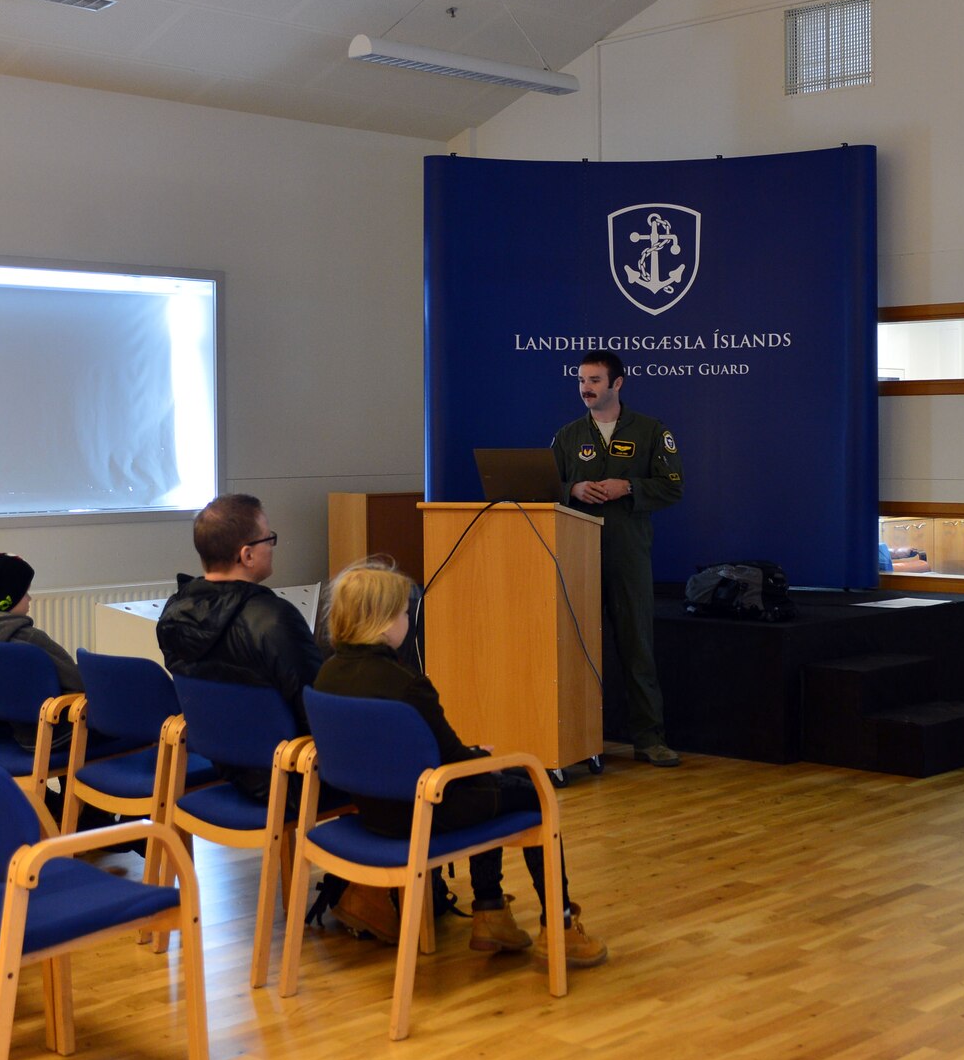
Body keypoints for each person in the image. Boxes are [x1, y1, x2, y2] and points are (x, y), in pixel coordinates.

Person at [314, 561, 608, 967]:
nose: (406, 620)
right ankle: (555, 925)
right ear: (383, 624)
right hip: (421, 816)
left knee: (493, 778)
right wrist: (479, 756)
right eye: (402, 613)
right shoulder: (407, 685)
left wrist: (473, 758)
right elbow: (452, 758)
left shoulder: (326, 676)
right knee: (528, 788)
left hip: (372, 810)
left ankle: (492, 914)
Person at [552, 349, 685, 766]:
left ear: (617, 384)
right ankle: (577, 741)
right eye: (581, 381)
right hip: (576, 555)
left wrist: (627, 487)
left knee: (636, 646)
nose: (585, 389)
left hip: (627, 554)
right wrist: (571, 490)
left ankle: (649, 739)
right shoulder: (568, 435)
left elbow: (672, 487)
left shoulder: (650, 430)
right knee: (573, 648)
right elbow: (541, 484)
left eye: (594, 381)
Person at [156, 494, 319, 798]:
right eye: (269, 538)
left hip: (221, 764)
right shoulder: (274, 620)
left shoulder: (173, 614)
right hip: (291, 775)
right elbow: (317, 709)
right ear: (247, 555)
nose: (272, 545)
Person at [0, 551, 81, 752]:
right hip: (59, 733)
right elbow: (76, 681)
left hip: (14, 733)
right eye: (24, 593)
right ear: (8, 599)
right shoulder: (29, 638)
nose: (29, 598)